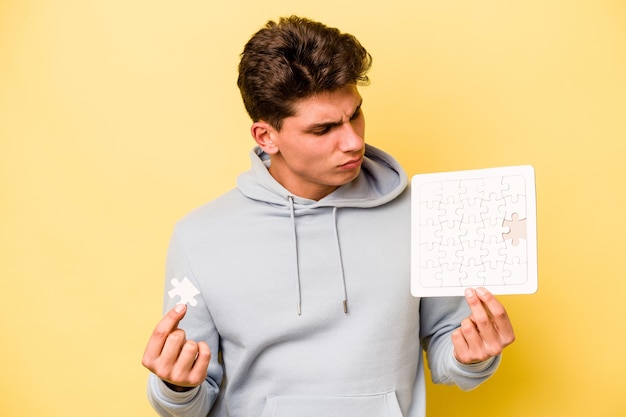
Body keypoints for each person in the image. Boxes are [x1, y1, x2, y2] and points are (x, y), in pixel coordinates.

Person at [142, 15, 515, 417]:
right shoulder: (199, 237)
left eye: (354, 114)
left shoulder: (421, 213)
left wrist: (472, 357)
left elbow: (449, 349)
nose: (354, 141)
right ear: (267, 136)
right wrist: (174, 387)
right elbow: (190, 400)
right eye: (323, 130)